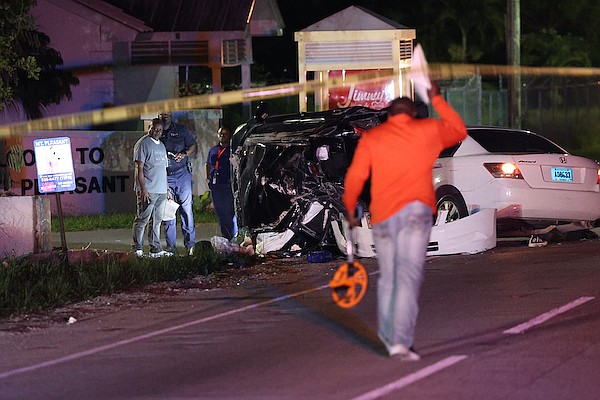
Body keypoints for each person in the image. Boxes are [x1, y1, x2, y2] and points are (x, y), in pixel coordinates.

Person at [342, 81, 467, 360]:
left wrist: (350, 207)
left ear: (388, 115)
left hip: (383, 217)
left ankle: (388, 337)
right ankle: (399, 341)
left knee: (388, 277)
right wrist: (436, 98)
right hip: (414, 215)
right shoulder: (427, 130)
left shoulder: (374, 138)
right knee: (407, 276)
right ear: (413, 114)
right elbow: (459, 130)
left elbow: (356, 176)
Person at [132, 118, 172, 258]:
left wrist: (167, 189)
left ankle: (155, 248)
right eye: (154, 129)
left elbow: (164, 170)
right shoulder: (143, 143)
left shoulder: (161, 145)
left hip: (161, 190)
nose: (157, 132)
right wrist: (143, 189)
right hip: (149, 189)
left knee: (157, 220)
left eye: (160, 130)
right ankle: (137, 248)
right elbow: (139, 168)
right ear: (150, 127)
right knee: (142, 219)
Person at [158, 112, 198, 255]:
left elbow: (193, 145)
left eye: (167, 113)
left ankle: (191, 245)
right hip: (165, 176)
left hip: (182, 175)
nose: (165, 116)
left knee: (186, 211)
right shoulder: (157, 132)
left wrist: (185, 153)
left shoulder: (181, 130)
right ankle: (171, 247)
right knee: (169, 211)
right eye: (162, 114)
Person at [206, 126, 237, 240]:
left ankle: (232, 237)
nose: (222, 136)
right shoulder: (213, 150)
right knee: (220, 213)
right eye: (220, 133)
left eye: (225, 133)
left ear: (229, 135)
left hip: (227, 185)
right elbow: (208, 164)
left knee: (229, 213)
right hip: (216, 185)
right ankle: (226, 236)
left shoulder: (232, 150)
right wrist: (208, 178)